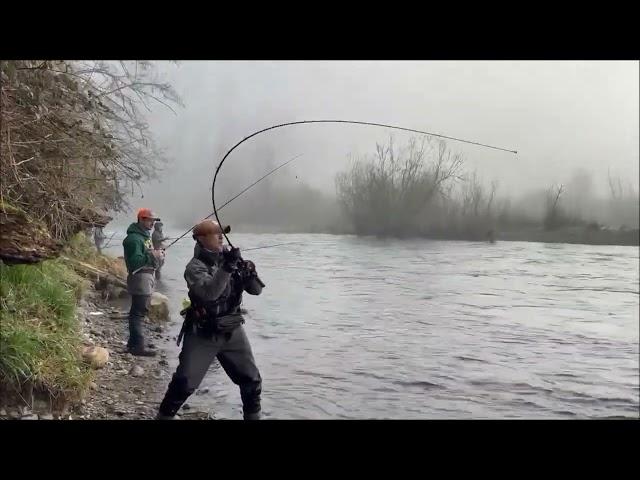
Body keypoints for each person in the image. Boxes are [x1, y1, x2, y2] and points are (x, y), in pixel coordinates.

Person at [156, 219, 265, 420]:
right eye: (217, 234)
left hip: (232, 330)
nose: (222, 236)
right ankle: (163, 416)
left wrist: (249, 272)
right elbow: (209, 293)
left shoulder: (229, 259)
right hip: (203, 332)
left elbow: (256, 291)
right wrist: (228, 267)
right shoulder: (194, 267)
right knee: (184, 383)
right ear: (201, 239)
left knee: (252, 380)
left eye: (222, 233)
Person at [122, 208, 165, 357]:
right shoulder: (134, 239)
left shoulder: (144, 237)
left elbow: (148, 258)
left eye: (153, 221)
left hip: (146, 278)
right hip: (140, 278)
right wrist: (153, 255)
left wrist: (158, 255)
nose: (152, 223)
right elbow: (134, 262)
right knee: (138, 313)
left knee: (136, 312)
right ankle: (138, 346)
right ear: (141, 220)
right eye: (149, 220)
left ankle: (132, 344)